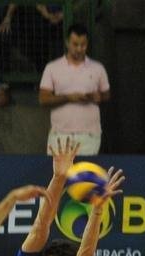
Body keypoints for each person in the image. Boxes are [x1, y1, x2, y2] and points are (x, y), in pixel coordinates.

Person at [38, 23, 110, 156]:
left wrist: (98, 97)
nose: (79, 49)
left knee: (85, 176)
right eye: (75, 44)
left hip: (89, 136)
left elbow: (106, 95)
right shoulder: (52, 67)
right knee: (59, 176)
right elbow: (43, 99)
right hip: (60, 136)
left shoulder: (98, 68)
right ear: (67, 43)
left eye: (83, 45)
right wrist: (69, 97)